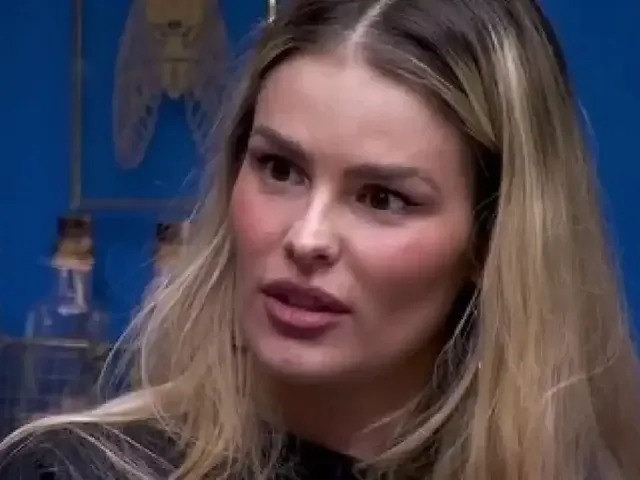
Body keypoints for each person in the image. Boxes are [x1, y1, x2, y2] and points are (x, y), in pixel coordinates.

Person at [2, 0, 640, 478]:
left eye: (382, 198)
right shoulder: (70, 469)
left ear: (489, 239)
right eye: (280, 169)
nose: (306, 239)